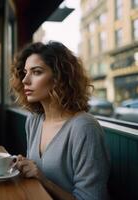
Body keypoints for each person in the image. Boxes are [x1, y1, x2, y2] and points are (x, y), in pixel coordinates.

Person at [10, 41, 110, 200]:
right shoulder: (34, 121)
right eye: (25, 72)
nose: (25, 80)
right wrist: (23, 166)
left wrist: (42, 179)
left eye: (36, 72)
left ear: (58, 78)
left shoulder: (85, 128)